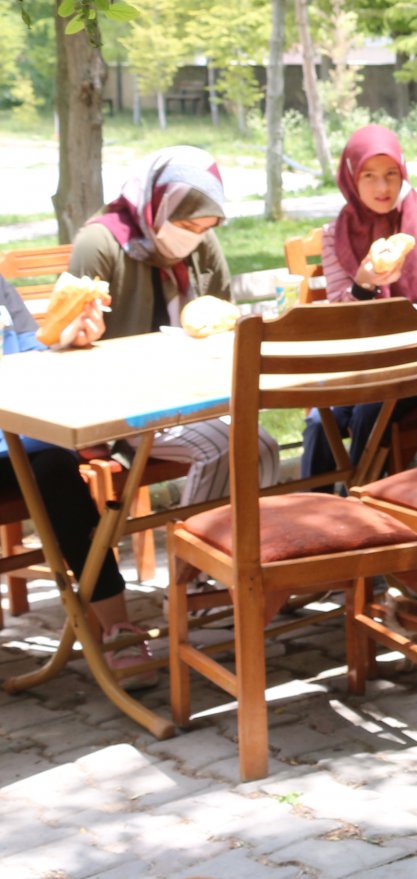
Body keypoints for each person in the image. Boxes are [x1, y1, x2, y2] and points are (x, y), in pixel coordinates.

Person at [69, 149, 282, 508]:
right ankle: (202, 558)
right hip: (125, 404)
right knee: (236, 448)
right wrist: (81, 332)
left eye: (205, 228)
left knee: (262, 449)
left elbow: (225, 317)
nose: (193, 238)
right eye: (185, 226)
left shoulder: (202, 244)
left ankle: (241, 556)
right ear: (156, 203)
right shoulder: (100, 243)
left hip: (195, 394)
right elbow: (71, 348)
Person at [0, 274, 152, 685]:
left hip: (20, 439)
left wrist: (66, 339)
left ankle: (117, 628)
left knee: (56, 470)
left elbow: (30, 352)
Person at [301, 124, 417, 482]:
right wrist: (363, 283)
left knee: (367, 412)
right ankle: (315, 513)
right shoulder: (336, 235)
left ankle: (363, 511)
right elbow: (339, 318)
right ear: (351, 179)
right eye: (369, 176)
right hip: (357, 362)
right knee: (318, 422)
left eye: (391, 175)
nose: (383, 188)